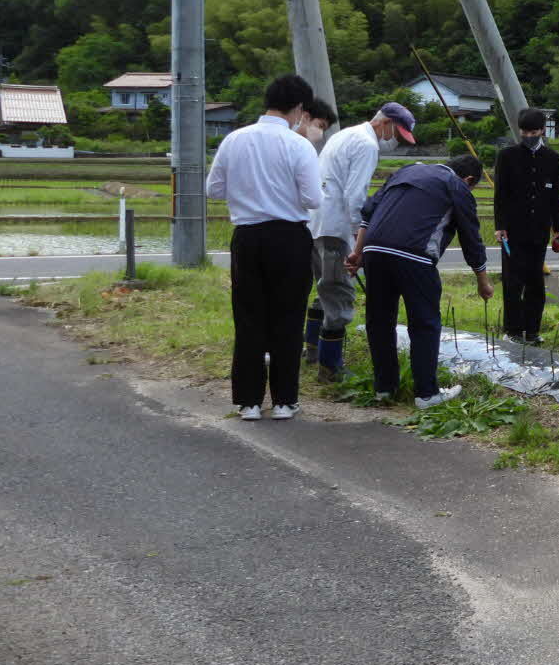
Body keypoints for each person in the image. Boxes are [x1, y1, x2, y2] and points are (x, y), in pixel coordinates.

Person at [206, 73, 323, 421]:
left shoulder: (234, 140)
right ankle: (285, 401)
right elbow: (313, 199)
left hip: (247, 237)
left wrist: (248, 191)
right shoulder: (299, 145)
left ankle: (249, 402)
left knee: (249, 317)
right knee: (288, 317)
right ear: (300, 108)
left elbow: (213, 189)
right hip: (289, 237)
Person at [344, 154, 493, 409]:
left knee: (379, 321)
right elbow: (471, 237)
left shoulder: (406, 170)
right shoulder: (456, 186)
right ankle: (426, 394)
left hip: (374, 252)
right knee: (425, 323)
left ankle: (384, 388)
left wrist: (357, 253)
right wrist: (483, 280)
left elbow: (368, 213)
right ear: (469, 179)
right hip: (414, 256)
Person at [304, 101, 417, 378]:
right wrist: (360, 236)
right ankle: (330, 368)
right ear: (386, 123)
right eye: (398, 135)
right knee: (339, 293)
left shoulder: (345, 134)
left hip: (315, 222)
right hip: (335, 227)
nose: (397, 142)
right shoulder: (367, 145)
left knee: (324, 291)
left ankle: (311, 352)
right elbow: (356, 196)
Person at [493, 106, 559, 344]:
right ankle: (513, 331)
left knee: (535, 281)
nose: (529, 137)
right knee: (512, 281)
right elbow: (500, 194)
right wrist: (500, 225)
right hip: (512, 231)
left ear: (542, 131)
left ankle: (533, 330)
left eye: (533, 132)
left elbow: (556, 197)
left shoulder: (552, 159)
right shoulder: (507, 156)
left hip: (539, 230)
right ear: (519, 131)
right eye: (524, 132)